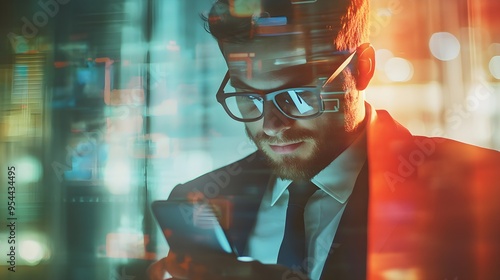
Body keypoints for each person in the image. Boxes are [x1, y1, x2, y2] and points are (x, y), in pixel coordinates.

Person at [148, 0, 500, 279]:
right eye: (249, 97)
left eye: (298, 95)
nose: (272, 125)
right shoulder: (202, 200)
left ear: (361, 68)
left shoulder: (482, 193)